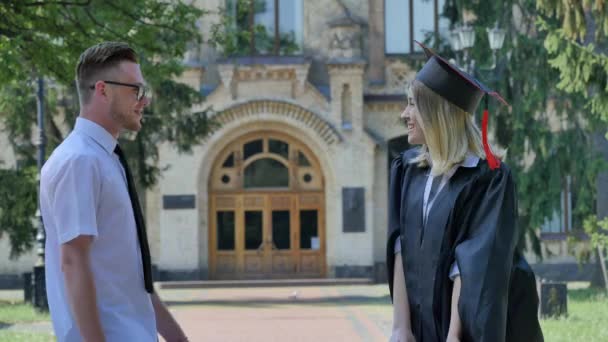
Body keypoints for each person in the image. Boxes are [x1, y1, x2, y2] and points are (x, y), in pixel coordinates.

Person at [387, 42, 543, 342]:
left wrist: (454, 336)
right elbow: (400, 248)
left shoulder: (489, 178)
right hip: (418, 326)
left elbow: (476, 261)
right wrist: (400, 328)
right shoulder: (407, 170)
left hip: (466, 330)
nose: (404, 114)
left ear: (436, 113)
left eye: (412, 104)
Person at [40, 42, 188, 342]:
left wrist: (177, 338)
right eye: (135, 90)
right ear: (103, 90)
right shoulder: (79, 160)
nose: (144, 101)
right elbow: (72, 260)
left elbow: (131, 274)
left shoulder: (106, 159)